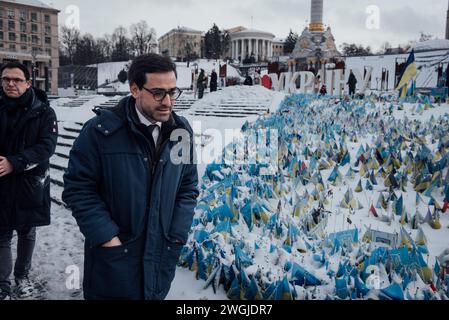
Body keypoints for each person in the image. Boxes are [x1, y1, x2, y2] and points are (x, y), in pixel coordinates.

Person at [62, 53, 199, 300]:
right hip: (113, 260)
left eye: (172, 91)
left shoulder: (181, 131)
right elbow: (78, 188)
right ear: (134, 89)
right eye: (158, 92)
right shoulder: (100, 131)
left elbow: (187, 186)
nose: (168, 101)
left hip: (160, 257)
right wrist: (106, 237)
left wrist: (177, 234)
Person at [0, 62, 58, 300]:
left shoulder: (43, 111)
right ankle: (2, 285)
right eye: (5, 79)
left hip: (29, 183)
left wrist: (16, 162)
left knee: (26, 231)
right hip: (1, 184)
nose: (10, 84)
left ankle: (22, 276)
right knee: (1, 233)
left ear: (28, 83)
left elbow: (47, 146)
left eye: (16, 79)